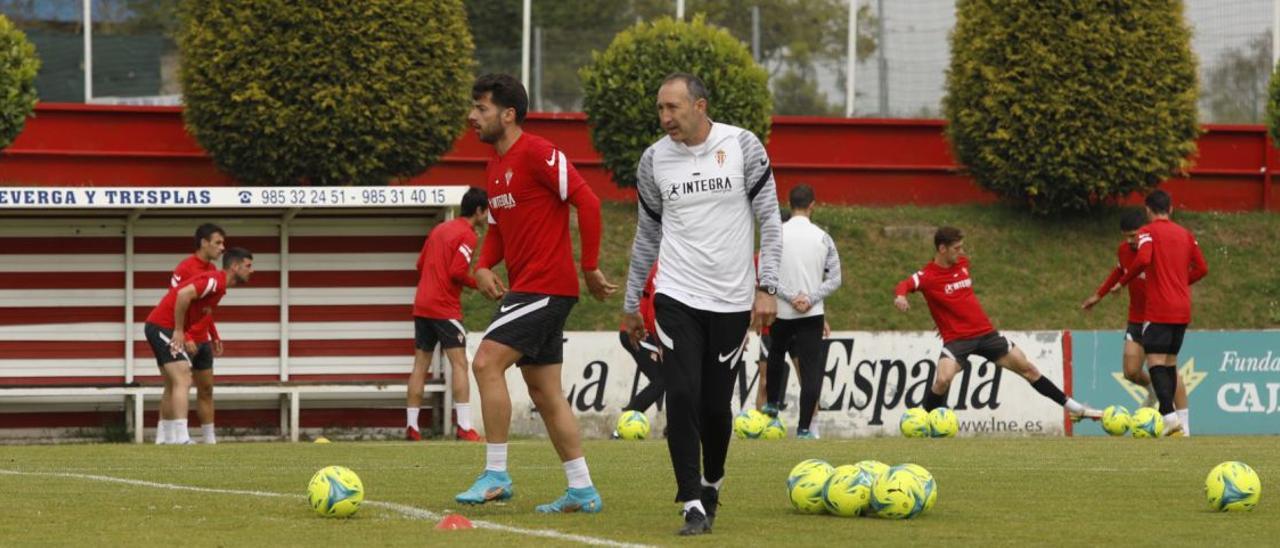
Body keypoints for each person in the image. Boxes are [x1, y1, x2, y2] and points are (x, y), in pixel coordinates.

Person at [622, 72, 782, 536]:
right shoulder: (653, 160)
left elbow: (769, 220)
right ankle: (691, 501)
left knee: (716, 405)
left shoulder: (744, 146)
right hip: (676, 295)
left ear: (700, 106)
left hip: (732, 299)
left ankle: (712, 483)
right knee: (683, 393)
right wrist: (634, 301)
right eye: (660, 109)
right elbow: (647, 234)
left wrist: (767, 286)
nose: (665, 117)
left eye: (672, 107)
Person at [453, 74, 615, 513]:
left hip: (545, 287)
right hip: (530, 288)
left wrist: (590, 266)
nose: (472, 116)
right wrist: (484, 265)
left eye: (481, 108)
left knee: (485, 361)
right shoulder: (495, 166)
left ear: (508, 114)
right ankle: (582, 490)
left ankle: (496, 475)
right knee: (545, 393)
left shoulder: (539, 152)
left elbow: (590, 202)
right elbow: (501, 229)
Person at [893, 227, 1101, 422]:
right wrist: (901, 297)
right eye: (957, 248)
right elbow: (905, 284)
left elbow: (957, 299)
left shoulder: (963, 264)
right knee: (943, 380)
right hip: (958, 340)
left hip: (987, 335)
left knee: (1029, 369)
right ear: (942, 249)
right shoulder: (927, 276)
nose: (962, 252)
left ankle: (1077, 410)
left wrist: (944, 316)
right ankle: (926, 423)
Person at [1080, 209, 1191, 431]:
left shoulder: (1155, 250)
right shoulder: (1124, 250)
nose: (1129, 241)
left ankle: (1184, 425)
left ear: (1145, 231)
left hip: (1159, 316)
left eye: (1133, 235)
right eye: (1126, 236)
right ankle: (1155, 392)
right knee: (1131, 371)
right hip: (1136, 317)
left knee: (1169, 368)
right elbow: (1120, 272)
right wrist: (1099, 295)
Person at [1114, 190, 1207, 436]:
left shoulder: (1148, 232)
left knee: (1155, 362)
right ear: (1171, 209)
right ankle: (1184, 426)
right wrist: (1180, 281)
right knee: (1170, 363)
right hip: (1183, 309)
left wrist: (1123, 281)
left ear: (1148, 210)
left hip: (1159, 309)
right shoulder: (1185, 234)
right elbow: (1202, 268)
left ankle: (1168, 415)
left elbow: (1144, 258)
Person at [144, 248, 254, 445]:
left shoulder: (220, 286)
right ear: (235, 267)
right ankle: (181, 438)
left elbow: (200, 310)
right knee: (183, 377)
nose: (251, 271)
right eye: (248, 266)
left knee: (173, 382)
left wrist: (213, 334)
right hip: (163, 325)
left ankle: (167, 439)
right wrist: (179, 331)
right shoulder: (216, 281)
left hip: (161, 326)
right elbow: (183, 294)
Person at [408, 187, 488, 442]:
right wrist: (479, 284)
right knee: (460, 364)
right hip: (444, 307)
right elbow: (456, 271)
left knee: (420, 365)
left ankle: (412, 427)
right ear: (478, 210)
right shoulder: (468, 234)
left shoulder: (439, 229)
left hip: (422, 305)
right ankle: (464, 427)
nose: (488, 218)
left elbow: (420, 265)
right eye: (488, 212)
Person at [763, 184, 842, 439]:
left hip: (783, 311)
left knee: (775, 353)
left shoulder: (776, 235)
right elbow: (835, 279)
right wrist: (809, 299)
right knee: (811, 371)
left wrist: (790, 296)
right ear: (812, 205)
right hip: (811, 314)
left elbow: (767, 275)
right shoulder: (823, 237)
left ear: (789, 203)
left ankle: (772, 404)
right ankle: (805, 429)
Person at [155, 223, 225, 445]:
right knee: (174, 385)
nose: (222, 248)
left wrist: (214, 334)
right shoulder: (185, 268)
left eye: (224, 243)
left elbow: (205, 310)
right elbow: (176, 301)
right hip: (184, 338)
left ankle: (209, 440)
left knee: (206, 389)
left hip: (203, 339)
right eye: (218, 243)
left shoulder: (214, 273)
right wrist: (186, 336)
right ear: (204, 243)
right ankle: (164, 437)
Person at [614, 261, 664, 436]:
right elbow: (653, 307)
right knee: (662, 381)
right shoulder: (665, 264)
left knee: (672, 379)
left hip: (645, 330)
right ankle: (623, 426)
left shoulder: (666, 262)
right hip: (641, 332)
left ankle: (675, 429)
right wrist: (660, 342)